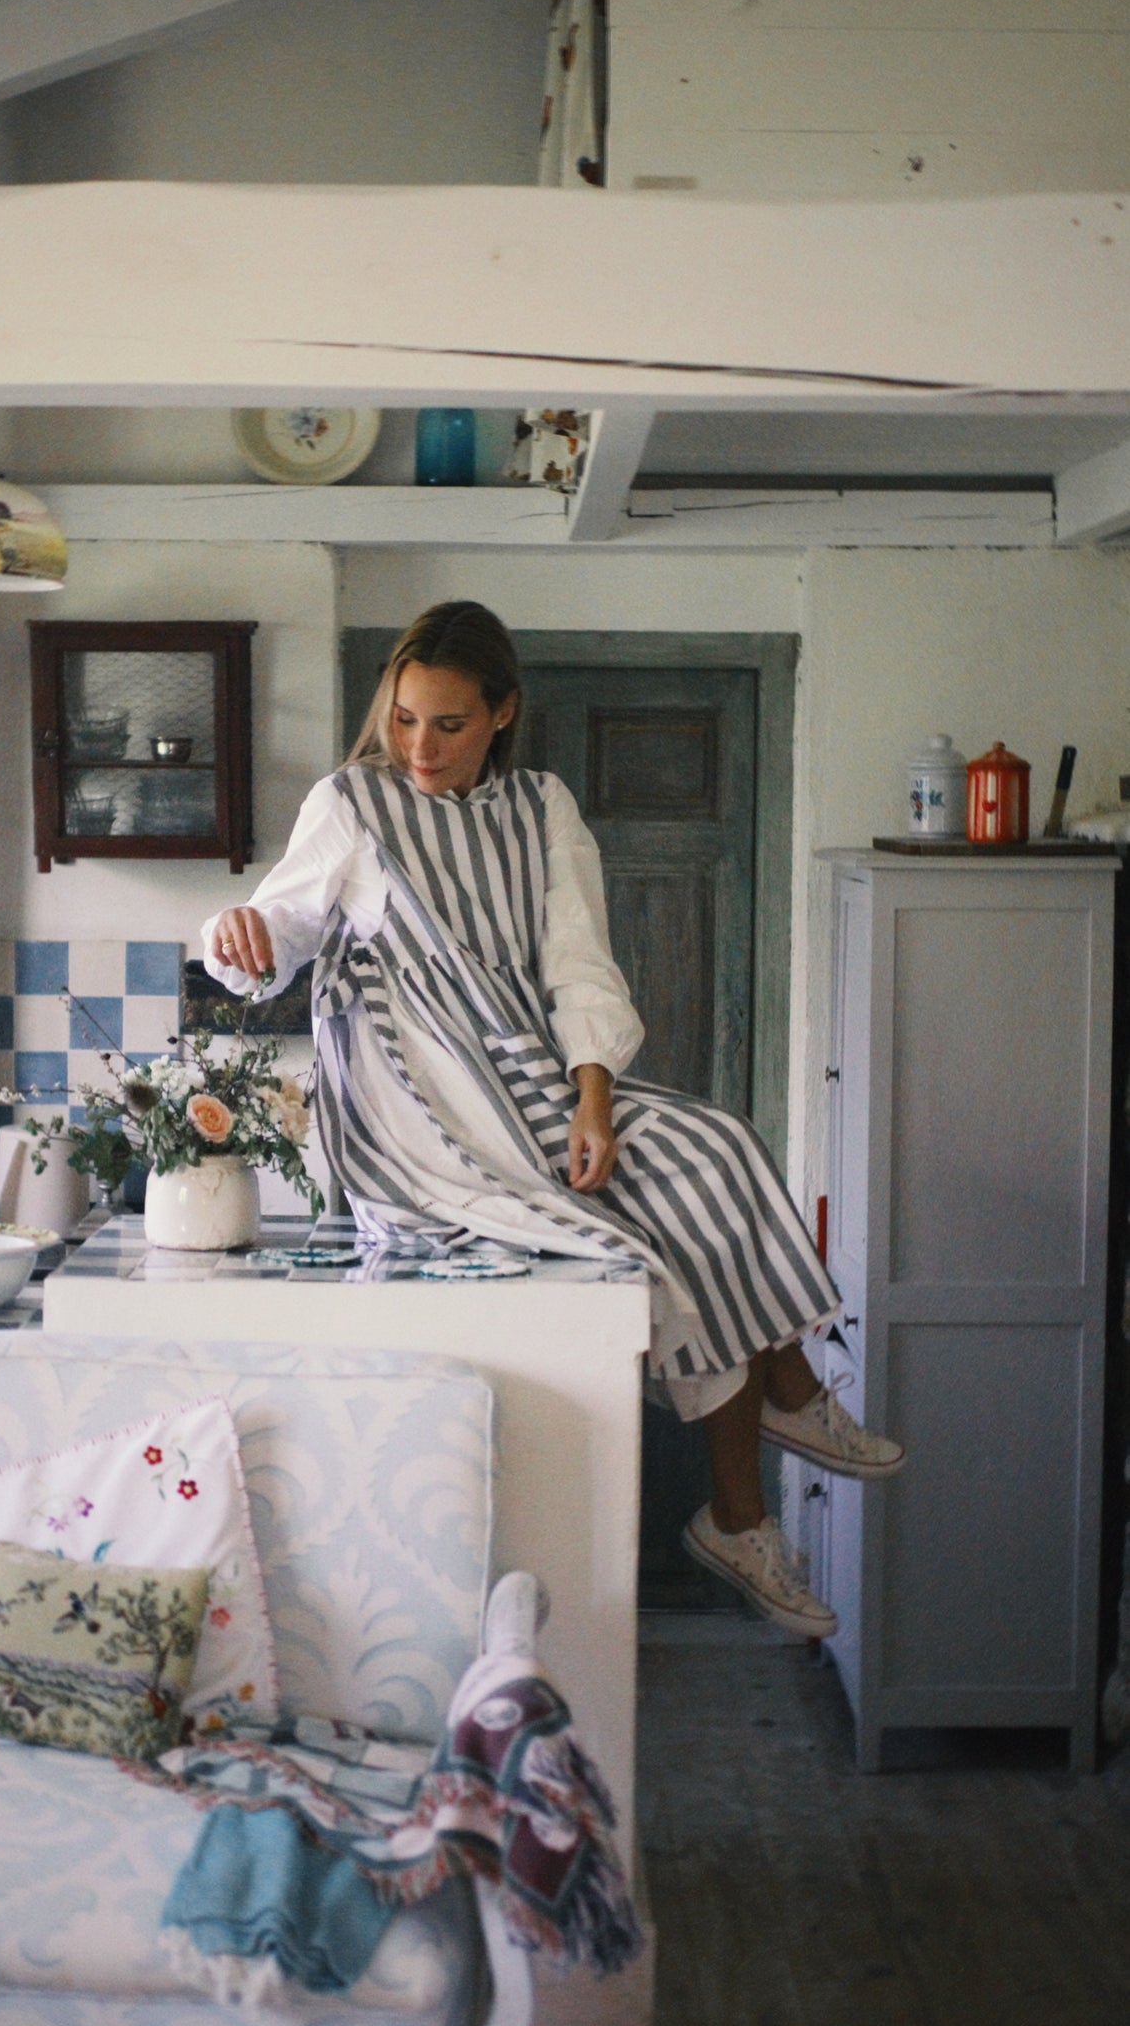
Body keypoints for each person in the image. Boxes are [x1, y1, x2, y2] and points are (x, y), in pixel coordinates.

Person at [204, 601, 904, 1636]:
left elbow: (579, 959)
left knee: (713, 1150)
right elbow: (286, 925)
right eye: (402, 719)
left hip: (531, 1077)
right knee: (645, 1241)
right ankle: (752, 1488)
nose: (418, 746)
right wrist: (240, 935)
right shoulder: (350, 803)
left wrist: (592, 1100)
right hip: (418, 1102)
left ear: (501, 713)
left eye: (446, 723)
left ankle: (769, 1431)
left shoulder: (541, 807)